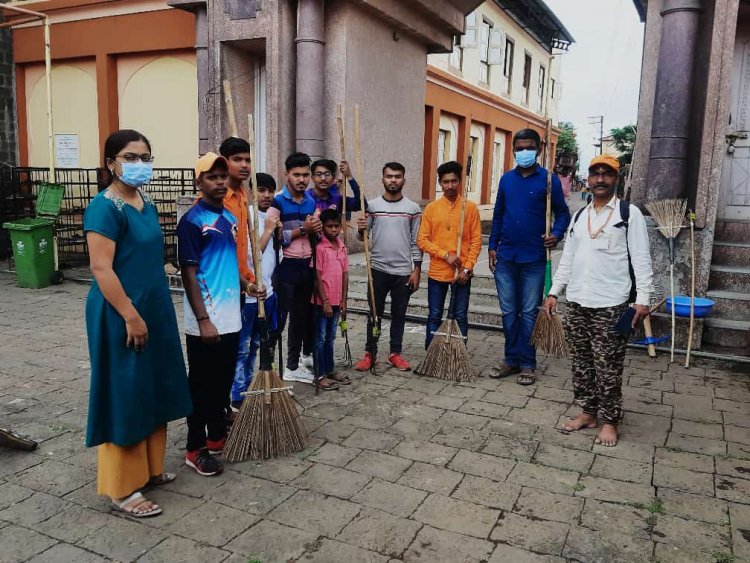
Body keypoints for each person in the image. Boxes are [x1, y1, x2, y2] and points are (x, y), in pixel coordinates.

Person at [84, 129, 192, 517]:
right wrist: (130, 314)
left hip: (154, 308)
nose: (140, 163)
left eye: (145, 156)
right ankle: (123, 487)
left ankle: (149, 467)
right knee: (126, 392)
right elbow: (101, 267)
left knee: (154, 386)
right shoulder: (104, 207)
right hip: (120, 313)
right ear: (111, 162)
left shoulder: (142, 200)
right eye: (130, 157)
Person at [543, 154, 653, 447]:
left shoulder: (628, 215)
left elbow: (642, 259)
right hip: (578, 300)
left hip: (612, 303)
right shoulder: (580, 215)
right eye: (596, 174)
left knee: (608, 364)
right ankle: (588, 412)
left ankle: (609, 421)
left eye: (607, 174)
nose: (601, 179)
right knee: (581, 362)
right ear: (588, 179)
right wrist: (555, 292)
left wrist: (642, 300)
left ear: (617, 179)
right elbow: (567, 258)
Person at [178, 152, 262, 476]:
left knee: (222, 382)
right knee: (200, 385)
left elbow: (228, 266)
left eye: (222, 177)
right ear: (198, 182)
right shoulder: (192, 222)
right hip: (205, 321)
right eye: (211, 177)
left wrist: (248, 285)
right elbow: (189, 273)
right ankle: (194, 448)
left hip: (231, 316)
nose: (219, 182)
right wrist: (203, 320)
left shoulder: (228, 220)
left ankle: (216, 438)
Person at [488, 128, 571, 386]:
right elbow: (499, 214)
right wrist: (492, 245)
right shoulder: (506, 180)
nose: (524, 152)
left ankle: (528, 363)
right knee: (508, 312)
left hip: (534, 258)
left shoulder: (548, 180)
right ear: (514, 150)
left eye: (529, 148)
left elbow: (563, 214)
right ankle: (511, 359)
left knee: (527, 312)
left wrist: (556, 234)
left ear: (539, 150)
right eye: (519, 148)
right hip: (506, 256)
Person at [354, 162, 422, 371]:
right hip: (378, 269)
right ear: (382, 179)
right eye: (389, 176)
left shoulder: (413, 209)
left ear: (404, 179)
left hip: (403, 272)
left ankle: (395, 353)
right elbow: (362, 238)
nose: (393, 180)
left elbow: (415, 241)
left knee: (399, 315)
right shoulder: (372, 206)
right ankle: (370, 353)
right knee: (374, 312)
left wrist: (417, 270)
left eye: (397, 176)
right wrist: (360, 228)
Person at [269, 152, 322, 383]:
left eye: (305, 175)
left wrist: (317, 229)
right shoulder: (277, 202)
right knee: (279, 318)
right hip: (286, 265)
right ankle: (268, 365)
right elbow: (276, 237)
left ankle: (292, 365)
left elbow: (314, 236)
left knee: (301, 318)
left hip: (307, 265)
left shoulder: (311, 201)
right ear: (286, 175)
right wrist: (304, 229)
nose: (302, 179)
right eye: (296, 175)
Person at [417, 160, 482, 349]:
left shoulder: (469, 207)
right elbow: (422, 240)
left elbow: (476, 241)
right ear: (440, 183)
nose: (450, 186)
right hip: (438, 273)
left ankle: (458, 354)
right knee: (434, 315)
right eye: (445, 182)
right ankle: (432, 353)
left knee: (460, 315)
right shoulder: (432, 209)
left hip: (462, 274)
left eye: (454, 181)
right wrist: (445, 255)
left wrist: (468, 268)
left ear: (460, 181)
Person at [231, 173, 281, 410]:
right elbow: (253, 255)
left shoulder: (269, 215)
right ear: (251, 191)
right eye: (261, 190)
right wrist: (269, 229)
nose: (267, 195)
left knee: (257, 346)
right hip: (250, 293)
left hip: (267, 291)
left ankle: (252, 386)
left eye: (271, 190)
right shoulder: (248, 217)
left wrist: (276, 229)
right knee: (243, 346)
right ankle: (237, 395)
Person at [311, 209, 350, 389]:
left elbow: (345, 275)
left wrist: (343, 300)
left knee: (331, 338)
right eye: (329, 226)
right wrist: (325, 301)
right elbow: (318, 276)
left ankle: (329, 369)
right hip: (322, 303)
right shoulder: (320, 248)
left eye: (336, 226)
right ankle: (319, 375)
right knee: (320, 337)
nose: (333, 230)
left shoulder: (342, 247)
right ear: (323, 228)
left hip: (337, 301)